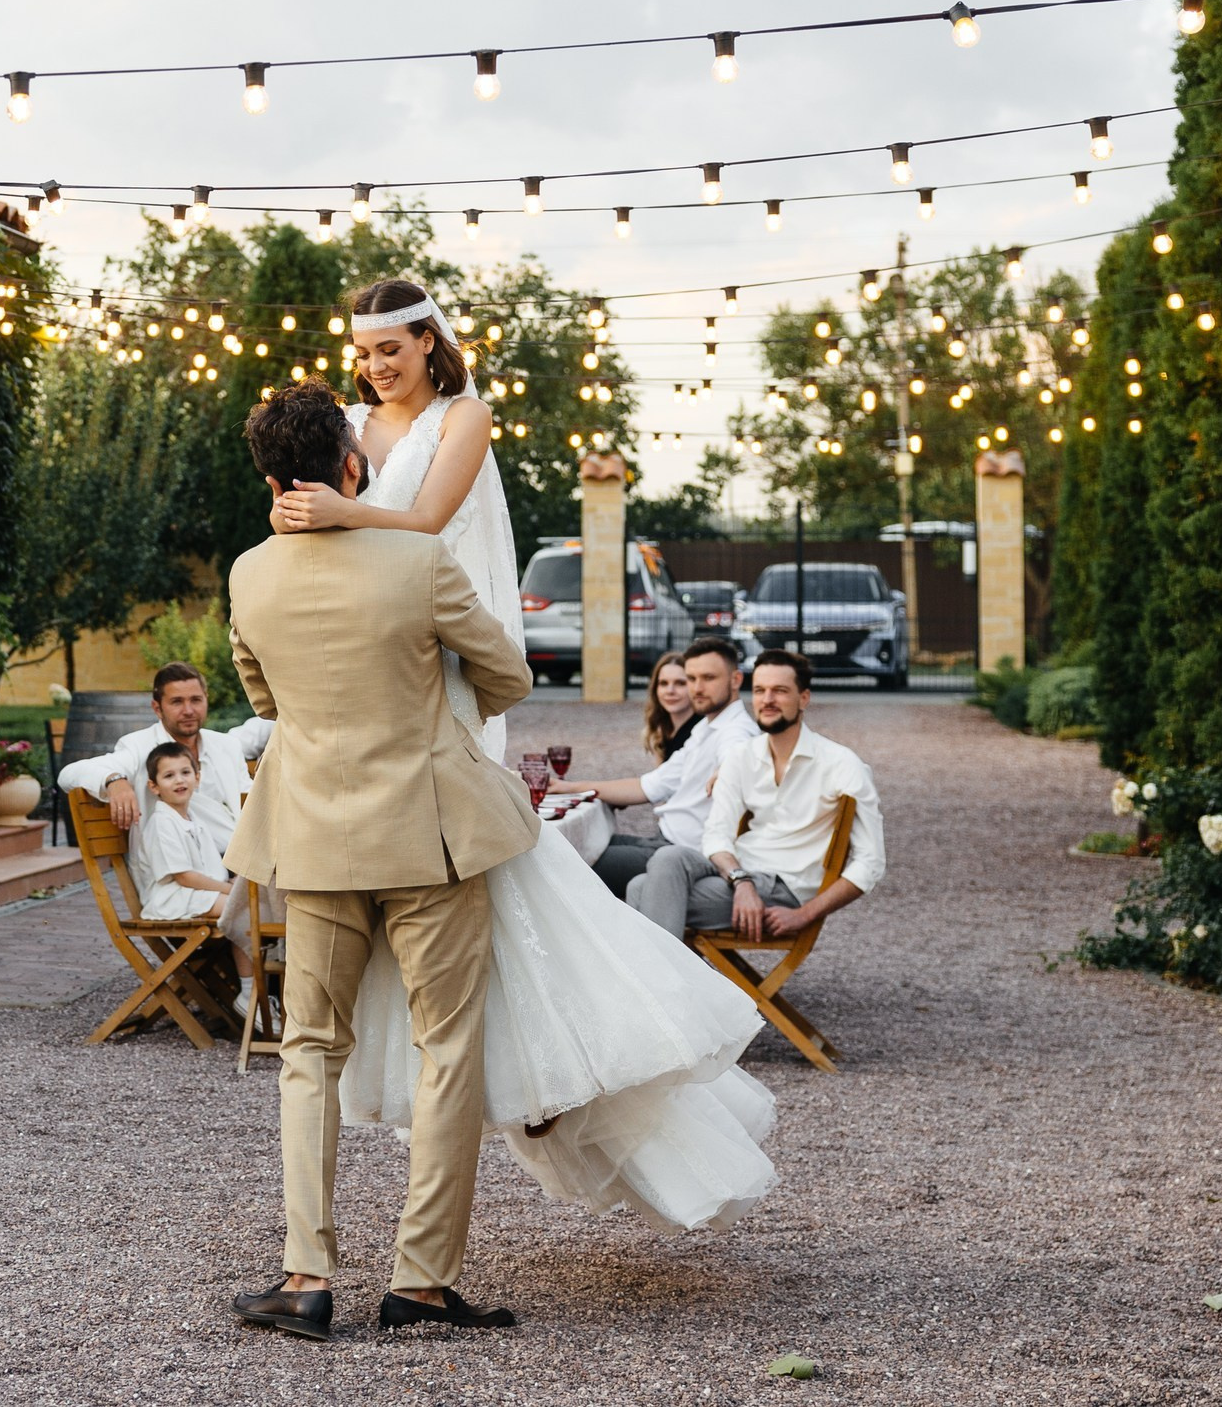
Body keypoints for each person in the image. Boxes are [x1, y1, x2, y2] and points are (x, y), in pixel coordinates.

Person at [260, 283, 781, 1293]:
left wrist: (333, 515)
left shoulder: (465, 415)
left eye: (392, 346)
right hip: (364, 640)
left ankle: (319, 1268)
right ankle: (425, 1254)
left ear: (429, 341)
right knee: (439, 965)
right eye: (363, 350)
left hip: (436, 644)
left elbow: (424, 520)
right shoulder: (347, 430)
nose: (375, 364)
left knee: (392, 961)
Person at [223, 375, 539, 1340]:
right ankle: (421, 1281)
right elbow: (509, 676)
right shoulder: (418, 559)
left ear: (273, 478)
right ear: (351, 465)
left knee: (308, 1054)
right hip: (431, 836)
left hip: (313, 838)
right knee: (449, 1050)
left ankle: (306, 1277)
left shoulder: (249, 573)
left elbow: (263, 697)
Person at [628, 649, 886, 943]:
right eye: (760, 690)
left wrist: (805, 914)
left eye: (780, 691)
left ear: (804, 698)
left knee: (640, 889)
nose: (767, 700)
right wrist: (741, 881)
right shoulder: (743, 756)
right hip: (739, 873)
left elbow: (871, 862)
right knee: (668, 856)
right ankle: (672, 983)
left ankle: (664, 986)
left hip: (784, 888)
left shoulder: (841, 764)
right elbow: (716, 835)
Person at [560, 637, 757, 898]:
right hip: (661, 839)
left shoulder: (736, 731)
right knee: (577, 844)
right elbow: (648, 785)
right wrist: (567, 787)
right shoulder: (705, 728)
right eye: (692, 678)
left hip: (683, 855)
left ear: (735, 680)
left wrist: (730, 768)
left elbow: (737, 752)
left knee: (566, 863)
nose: (697, 688)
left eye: (708, 678)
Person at [55, 661, 271, 847]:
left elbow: (248, 800)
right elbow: (68, 774)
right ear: (157, 708)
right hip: (176, 872)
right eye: (177, 702)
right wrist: (114, 781)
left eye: (195, 700)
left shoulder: (226, 745)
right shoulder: (139, 746)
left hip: (236, 866)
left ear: (206, 700)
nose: (188, 710)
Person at [129, 742, 257, 1012]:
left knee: (256, 904)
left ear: (197, 778)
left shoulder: (193, 820)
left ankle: (263, 988)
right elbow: (184, 876)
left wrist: (231, 884)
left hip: (195, 893)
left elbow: (210, 870)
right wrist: (227, 889)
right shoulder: (162, 822)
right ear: (154, 787)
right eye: (169, 775)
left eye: (185, 772)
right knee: (246, 909)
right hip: (171, 897)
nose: (179, 780)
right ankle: (249, 993)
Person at [642, 652, 694, 762]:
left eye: (680, 683)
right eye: (663, 683)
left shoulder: (700, 732)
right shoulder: (662, 728)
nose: (670, 691)